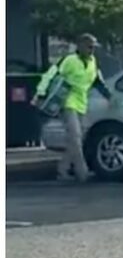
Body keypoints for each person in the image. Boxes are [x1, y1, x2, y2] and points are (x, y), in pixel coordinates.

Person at [32, 34, 113, 182]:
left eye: (94, 48)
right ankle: (82, 172)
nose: (92, 50)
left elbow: (97, 82)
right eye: (89, 47)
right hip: (67, 102)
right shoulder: (69, 61)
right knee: (75, 137)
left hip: (82, 104)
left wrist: (109, 96)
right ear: (80, 46)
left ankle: (62, 170)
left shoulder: (92, 62)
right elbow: (49, 76)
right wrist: (41, 93)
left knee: (76, 140)